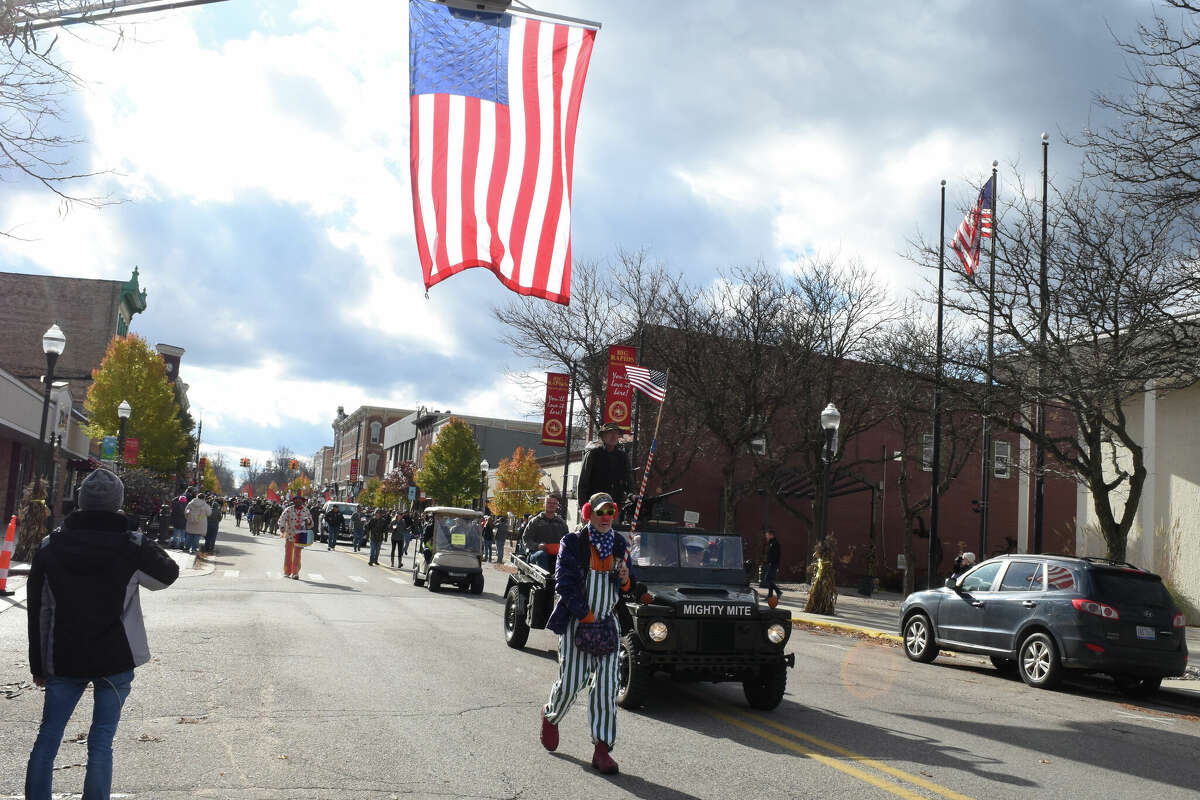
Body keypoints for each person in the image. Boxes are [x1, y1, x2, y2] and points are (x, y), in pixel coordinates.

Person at [25, 468, 179, 800]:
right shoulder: (130, 546)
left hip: (63, 656)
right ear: (117, 505)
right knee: (101, 743)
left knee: (48, 737)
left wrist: (38, 665)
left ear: (80, 503)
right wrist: (137, 535)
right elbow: (167, 575)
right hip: (115, 657)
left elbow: (37, 610)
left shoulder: (51, 547)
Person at [540, 492, 634, 775]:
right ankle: (551, 715)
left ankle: (602, 748)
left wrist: (626, 578)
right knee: (571, 683)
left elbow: (630, 587)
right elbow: (564, 584)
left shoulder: (620, 544)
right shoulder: (574, 543)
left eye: (610, 512)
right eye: (600, 512)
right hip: (578, 623)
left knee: (606, 690)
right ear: (588, 514)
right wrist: (585, 615)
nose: (606, 517)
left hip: (607, 626)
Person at [577, 422, 634, 514]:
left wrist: (632, 494)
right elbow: (583, 483)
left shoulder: (622, 456)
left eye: (616, 433)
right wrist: (583, 507)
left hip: (615, 506)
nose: (613, 436)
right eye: (610, 433)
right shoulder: (593, 455)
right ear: (603, 437)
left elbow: (628, 480)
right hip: (595, 505)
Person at [522, 493, 569, 572]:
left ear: (557, 506)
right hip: (536, 554)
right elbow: (526, 539)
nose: (551, 505)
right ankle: (547, 580)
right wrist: (537, 546)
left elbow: (567, 541)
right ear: (544, 504)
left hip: (556, 554)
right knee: (541, 555)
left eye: (554, 503)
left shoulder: (562, 523)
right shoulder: (535, 521)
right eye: (549, 502)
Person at [279, 494, 313, 580]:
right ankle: (287, 571)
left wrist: (308, 521)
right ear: (294, 501)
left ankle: (295, 573)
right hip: (290, 534)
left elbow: (311, 523)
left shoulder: (306, 511)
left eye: (300, 500)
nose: (298, 502)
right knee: (288, 553)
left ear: (302, 501)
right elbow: (282, 519)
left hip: (300, 535)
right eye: (296, 500)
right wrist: (282, 527)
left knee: (297, 554)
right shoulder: (288, 510)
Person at [762, 528, 782, 607]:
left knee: (767, 579)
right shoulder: (772, 543)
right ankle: (770, 596)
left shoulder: (775, 543)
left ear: (771, 535)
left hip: (773, 564)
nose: (766, 537)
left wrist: (770, 562)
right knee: (769, 580)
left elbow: (775, 555)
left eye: (767, 535)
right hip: (771, 564)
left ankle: (778, 592)